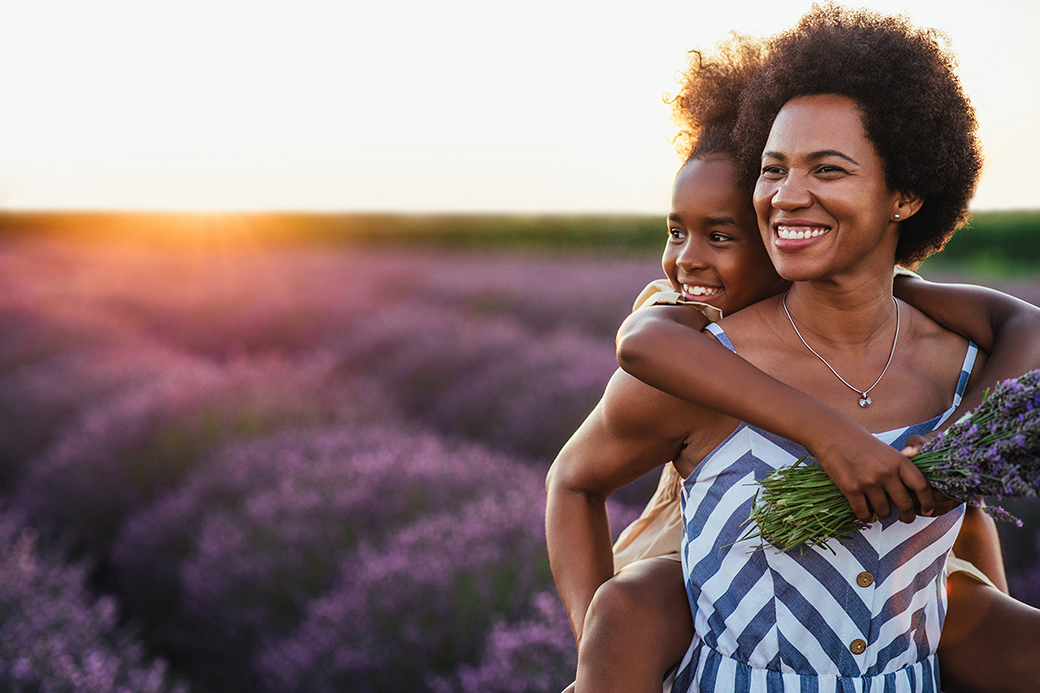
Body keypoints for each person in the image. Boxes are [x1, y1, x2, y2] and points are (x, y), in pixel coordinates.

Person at [547, 8, 1040, 692]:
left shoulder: (953, 353)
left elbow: (972, 509)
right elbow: (582, 460)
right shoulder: (699, 356)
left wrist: (959, 447)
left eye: (828, 170)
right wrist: (604, 657)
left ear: (905, 194)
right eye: (772, 169)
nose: (787, 195)